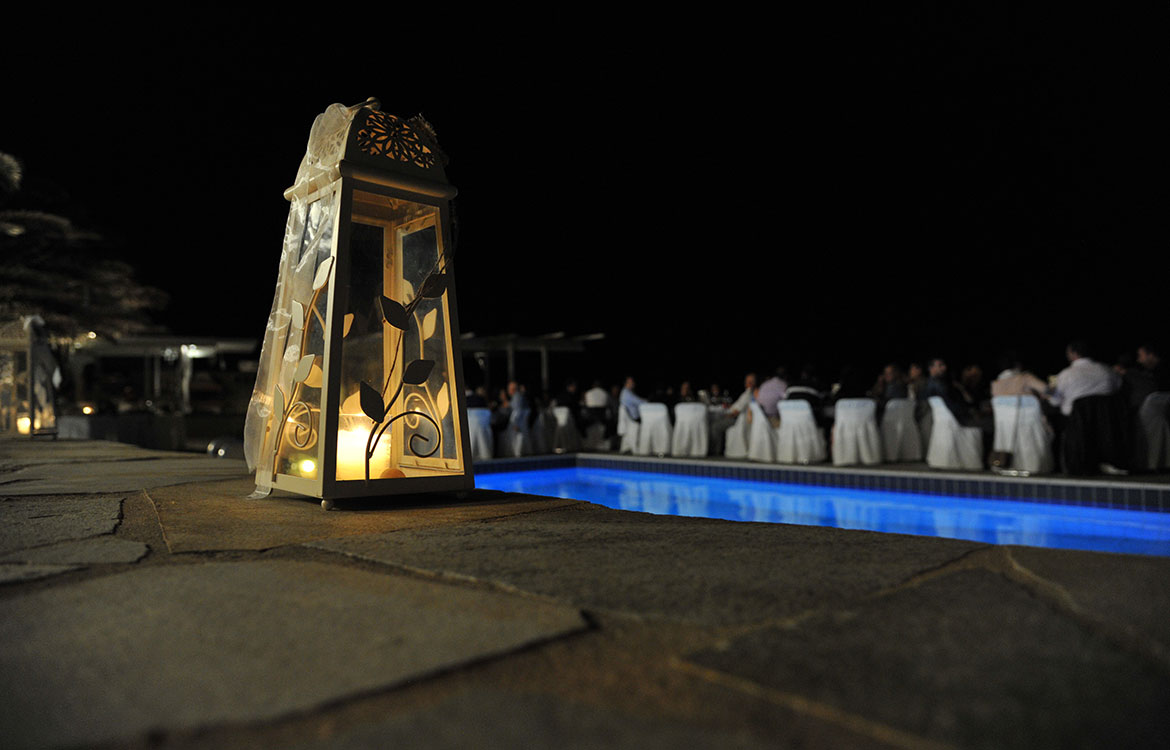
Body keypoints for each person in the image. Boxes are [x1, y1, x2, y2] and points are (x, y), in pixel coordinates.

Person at [1048, 341, 1120, 417]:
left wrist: (1049, 389)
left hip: (1077, 422)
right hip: (1109, 419)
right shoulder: (1107, 369)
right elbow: (1118, 387)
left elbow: (1054, 402)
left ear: (1074, 353)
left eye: (1068, 353)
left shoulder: (1064, 375)